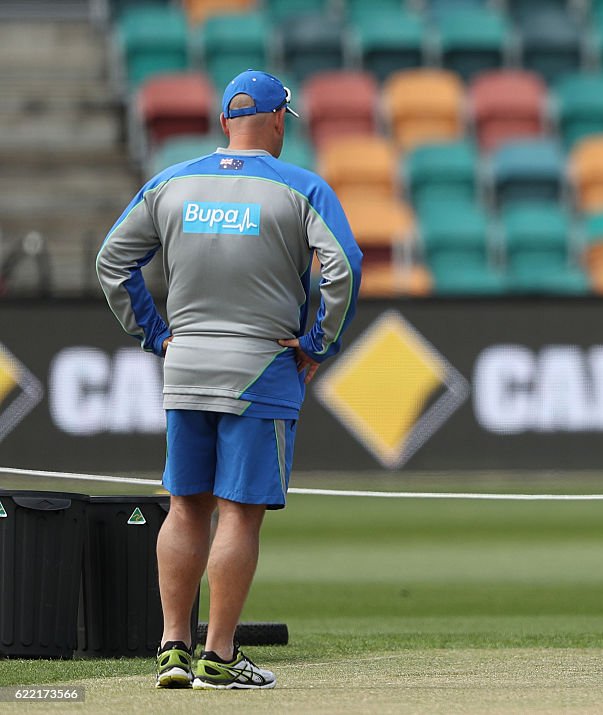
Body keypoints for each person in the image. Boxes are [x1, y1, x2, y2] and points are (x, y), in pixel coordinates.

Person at [96, 69, 363, 689]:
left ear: (224, 123)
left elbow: (113, 261)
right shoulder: (302, 187)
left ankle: (172, 648)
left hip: (187, 363)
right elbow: (343, 266)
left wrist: (158, 335)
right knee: (239, 514)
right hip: (261, 367)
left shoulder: (170, 182)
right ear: (276, 121)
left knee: (185, 505)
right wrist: (319, 341)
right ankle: (219, 653)